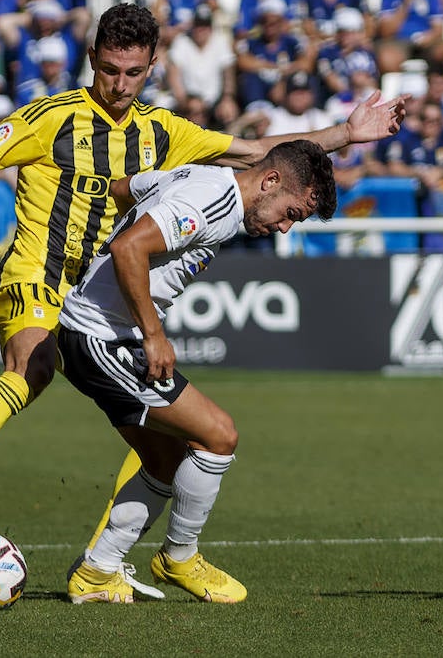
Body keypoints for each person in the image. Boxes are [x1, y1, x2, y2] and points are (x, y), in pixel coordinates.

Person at [0, 4, 405, 560]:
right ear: (93, 58)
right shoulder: (49, 118)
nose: (119, 85)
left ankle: (105, 564)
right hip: (38, 277)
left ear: (152, 67)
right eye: (109, 70)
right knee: (32, 367)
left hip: (105, 298)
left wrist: (346, 135)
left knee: (162, 429)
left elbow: (262, 155)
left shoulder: (164, 130)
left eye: (133, 73)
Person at [63, 140, 337, 602]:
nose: (285, 228)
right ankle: (179, 556)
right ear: (269, 181)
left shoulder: (199, 178)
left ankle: (97, 572)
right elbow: (129, 247)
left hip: (94, 331)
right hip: (103, 337)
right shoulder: (214, 201)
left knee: (165, 460)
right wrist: (153, 334)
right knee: (218, 435)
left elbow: (124, 188)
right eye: (290, 212)